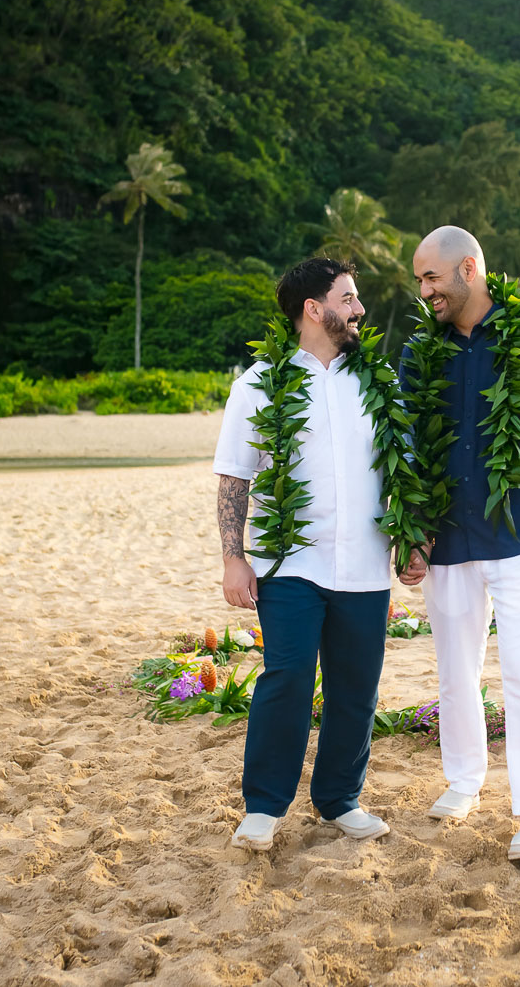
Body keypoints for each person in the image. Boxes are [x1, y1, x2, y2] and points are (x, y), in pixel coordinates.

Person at [399, 225, 520, 862]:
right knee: (455, 672)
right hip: (448, 539)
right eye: (419, 279)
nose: (423, 291)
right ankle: (465, 780)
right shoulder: (419, 354)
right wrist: (411, 534)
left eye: (431, 277)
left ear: (469, 269)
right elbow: (411, 453)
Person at [212, 257, 394, 852]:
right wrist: (233, 557)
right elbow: (235, 478)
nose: (359, 309)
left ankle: (340, 799)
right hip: (291, 563)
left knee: (356, 687)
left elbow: (402, 471)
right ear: (314, 309)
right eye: (348, 298)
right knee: (286, 680)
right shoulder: (259, 383)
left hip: (365, 564)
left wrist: (412, 537)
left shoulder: (376, 381)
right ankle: (263, 807)